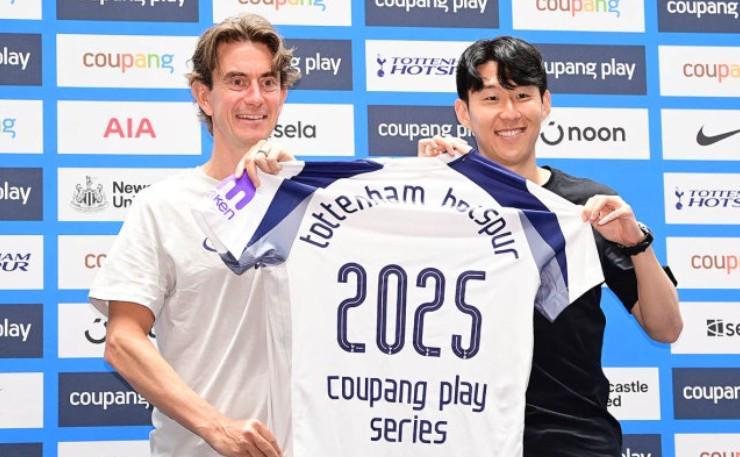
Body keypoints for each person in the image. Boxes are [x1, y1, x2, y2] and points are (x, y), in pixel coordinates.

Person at [418, 36, 682, 457]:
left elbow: (666, 328)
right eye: (491, 98)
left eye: (522, 95)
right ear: (463, 112)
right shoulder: (437, 203)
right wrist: (426, 187)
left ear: (545, 103)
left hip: (573, 438)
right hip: (465, 436)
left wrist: (637, 244)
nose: (509, 113)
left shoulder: (585, 207)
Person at [88, 13, 299, 457]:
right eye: (237, 82)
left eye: (268, 82)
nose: (255, 97)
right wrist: (217, 428)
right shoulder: (163, 206)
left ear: (282, 95)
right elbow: (122, 341)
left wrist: (438, 173)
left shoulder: (320, 205)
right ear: (204, 95)